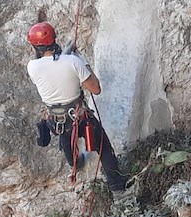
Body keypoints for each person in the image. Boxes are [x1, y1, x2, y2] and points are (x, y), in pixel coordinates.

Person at [26, 22, 127, 199]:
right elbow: (95, 89)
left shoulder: (32, 67)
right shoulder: (73, 62)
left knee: (67, 141)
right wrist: (82, 61)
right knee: (103, 147)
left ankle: (75, 163)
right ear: (54, 39)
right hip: (81, 118)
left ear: (35, 46)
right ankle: (118, 190)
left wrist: (67, 55)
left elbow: (53, 67)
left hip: (58, 122)